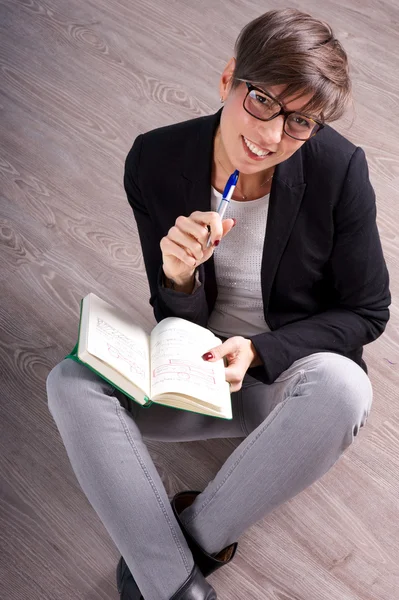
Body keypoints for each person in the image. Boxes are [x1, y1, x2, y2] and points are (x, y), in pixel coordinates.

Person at [46, 8, 391, 600]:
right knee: (68, 381)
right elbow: (177, 320)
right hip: (194, 373)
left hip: (288, 382)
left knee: (346, 390)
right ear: (229, 77)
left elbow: (368, 312)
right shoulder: (153, 160)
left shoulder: (338, 169)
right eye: (261, 101)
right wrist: (178, 279)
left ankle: (177, 564)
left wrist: (259, 351)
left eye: (300, 122)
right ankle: (178, 584)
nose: (271, 137)